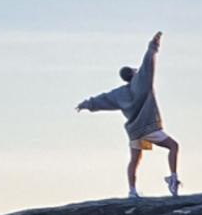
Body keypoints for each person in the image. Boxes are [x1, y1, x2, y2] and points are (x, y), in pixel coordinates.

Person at [77, 31, 180, 197]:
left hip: (134, 131)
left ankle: (132, 191)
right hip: (149, 127)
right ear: (133, 74)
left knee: (135, 159)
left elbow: (103, 99)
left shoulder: (119, 93)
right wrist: (153, 45)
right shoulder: (142, 82)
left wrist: (86, 104)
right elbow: (148, 63)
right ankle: (173, 179)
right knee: (173, 146)